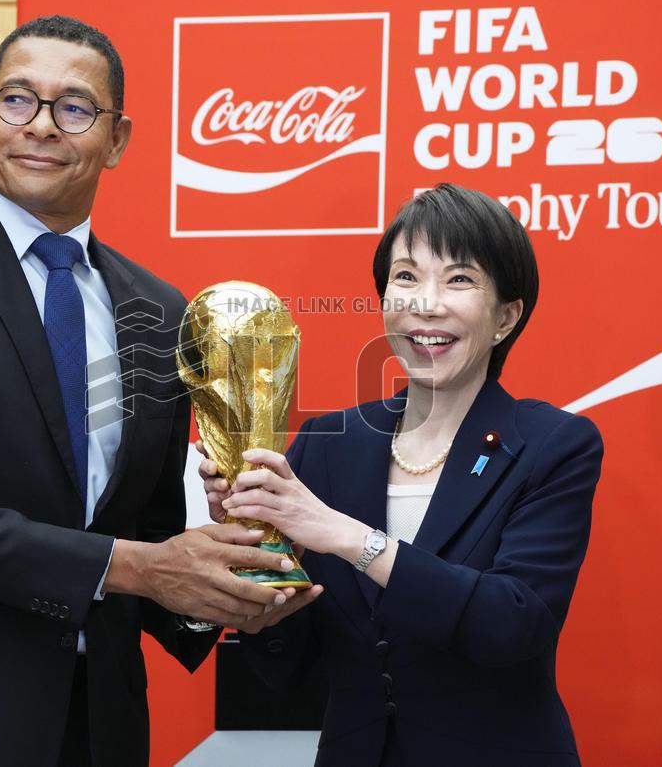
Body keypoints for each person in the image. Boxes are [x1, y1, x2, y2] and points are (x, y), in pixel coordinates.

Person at [0, 15, 310, 767]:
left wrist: (228, 582)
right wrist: (142, 566)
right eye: (18, 100)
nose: (42, 126)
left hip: (98, 727)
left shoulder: (160, 312)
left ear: (117, 140)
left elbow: (146, 537)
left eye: (75, 108)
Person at [199, 184, 604, 766]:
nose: (426, 304)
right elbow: (287, 665)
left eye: (459, 280)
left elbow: (510, 623)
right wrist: (256, 551)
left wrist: (344, 535)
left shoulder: (551, 444)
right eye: (407, 277)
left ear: (506, 317)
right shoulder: (328, 443)